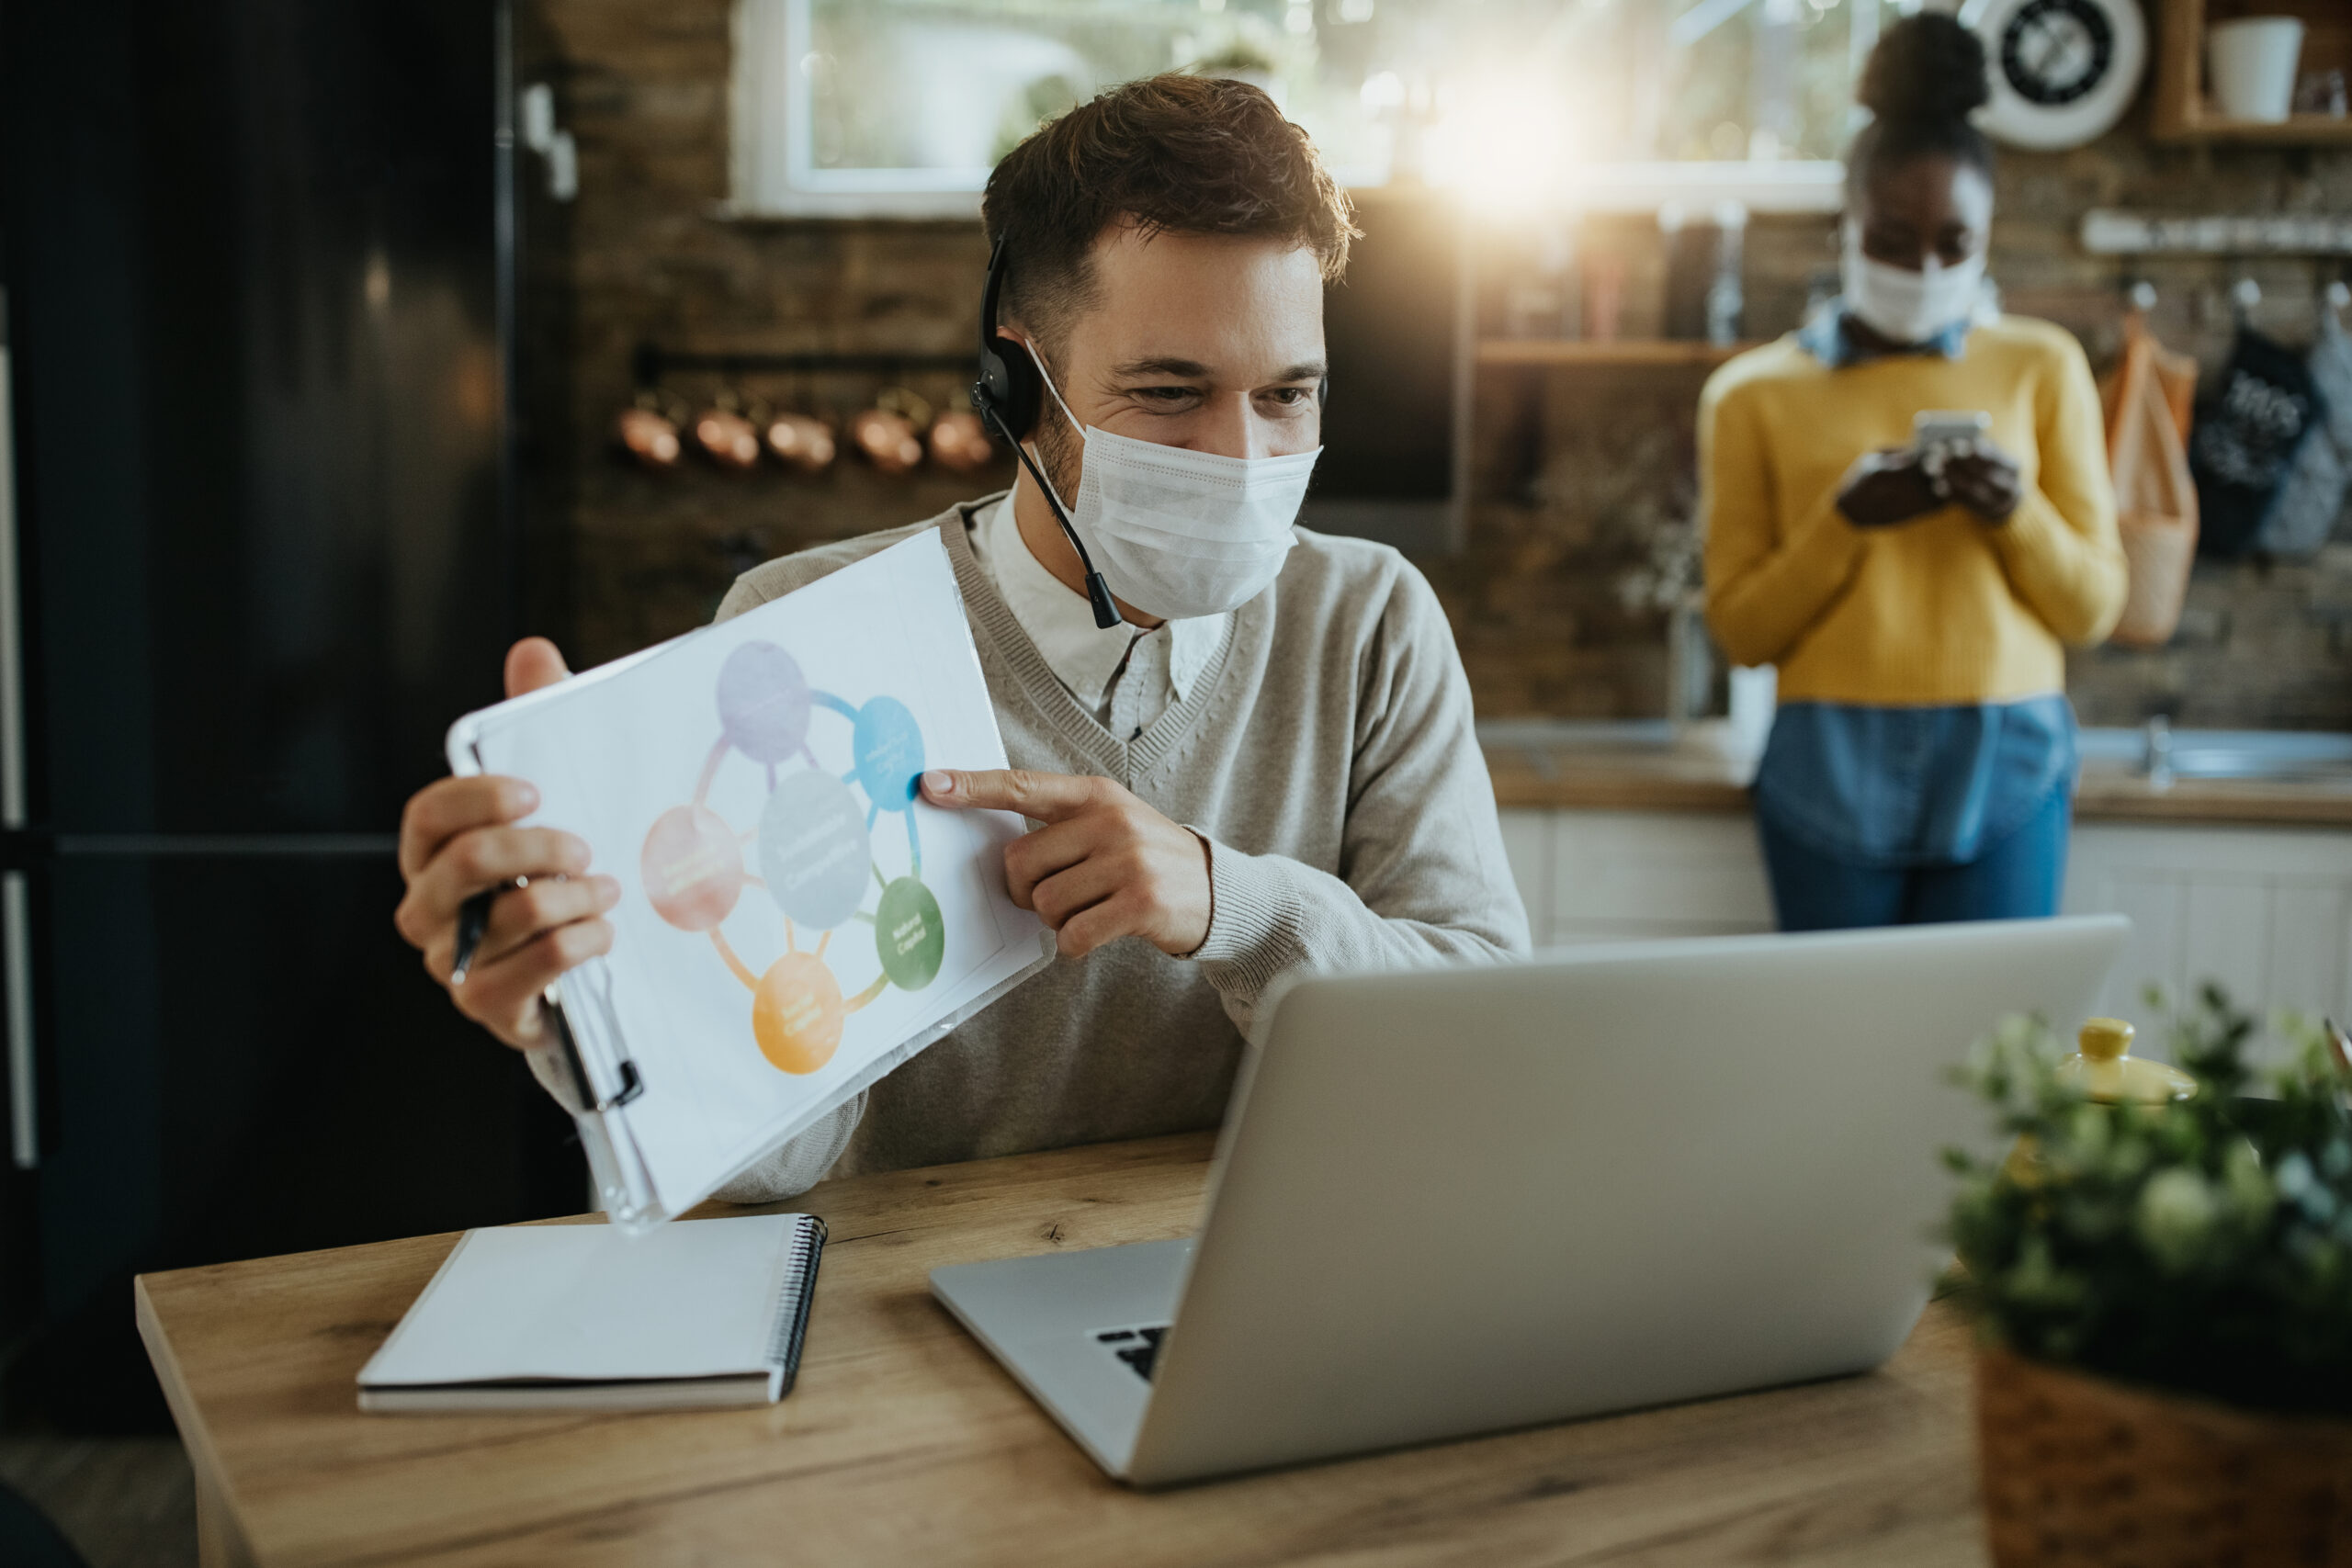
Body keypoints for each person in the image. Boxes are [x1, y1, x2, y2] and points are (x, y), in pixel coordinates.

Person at [391, 73, 1529, 1200]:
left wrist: (1229, 905)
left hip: (1254, 1298)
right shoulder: (800, 641)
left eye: (1288, 395)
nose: (1243, 462)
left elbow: (1482, 1049)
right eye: (1171, 393)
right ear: (1019, 382)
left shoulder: (1368, 621)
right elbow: (775, 1156)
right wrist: (594, 1011)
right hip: (906, 1320)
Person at [1699, 14, 2126, 932]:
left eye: (1953, 245)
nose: (1923, 267)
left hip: (2006, 753)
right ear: (1845, 228)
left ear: (1986, 237)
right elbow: (1740, 632)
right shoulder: (1750, 395)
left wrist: (2014, 510)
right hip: (1826, 761)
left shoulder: (2041, 366)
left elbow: (2093, 608)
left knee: (2000, 1067)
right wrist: (1842, 521)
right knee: (1839, 1053)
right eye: (1892, 239)